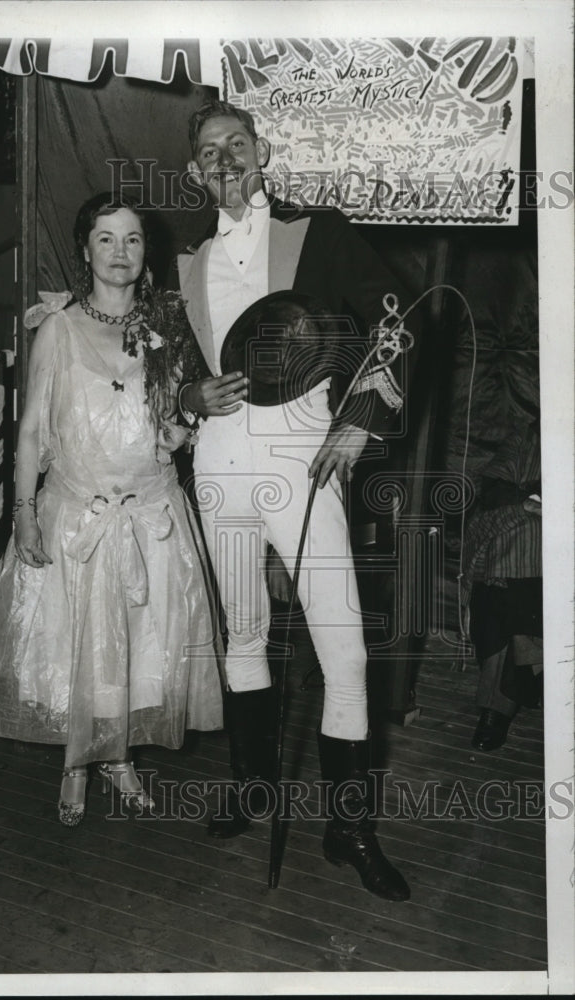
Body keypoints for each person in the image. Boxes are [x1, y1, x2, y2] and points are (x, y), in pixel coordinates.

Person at [175, 99, 420, 901]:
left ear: (263, 151)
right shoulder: (184, 260)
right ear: (192, 171)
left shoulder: (319, 233)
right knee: (242, 636)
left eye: (235, 144)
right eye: (208, 151)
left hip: (303, 457)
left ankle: (348, 828)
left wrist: (361, 420)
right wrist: (189, 391)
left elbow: (400, 321)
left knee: (343, 649)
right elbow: (162, 368)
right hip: (219, 462)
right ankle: (252, 789)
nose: (223, 159)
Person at [0, 192, 223, 827]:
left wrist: (181, 427)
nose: (120, 252)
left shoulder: (165, 323)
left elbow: (176, 410)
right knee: (77, 648)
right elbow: (30, 433)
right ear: (85, 250)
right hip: (78, 515)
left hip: (152, 514)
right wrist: (23, 513)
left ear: (146, 252)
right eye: (105, 239)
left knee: (139, 648)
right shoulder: (59, 327)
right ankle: (76, 764)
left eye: (132, 239)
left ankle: (119, 758)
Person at [461, 418, 542, 751]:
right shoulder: (528, 436)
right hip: (521, 542)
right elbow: (494, 485)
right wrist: (528, 503)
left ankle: (496, 710)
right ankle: (534, 671)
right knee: (503, 575)